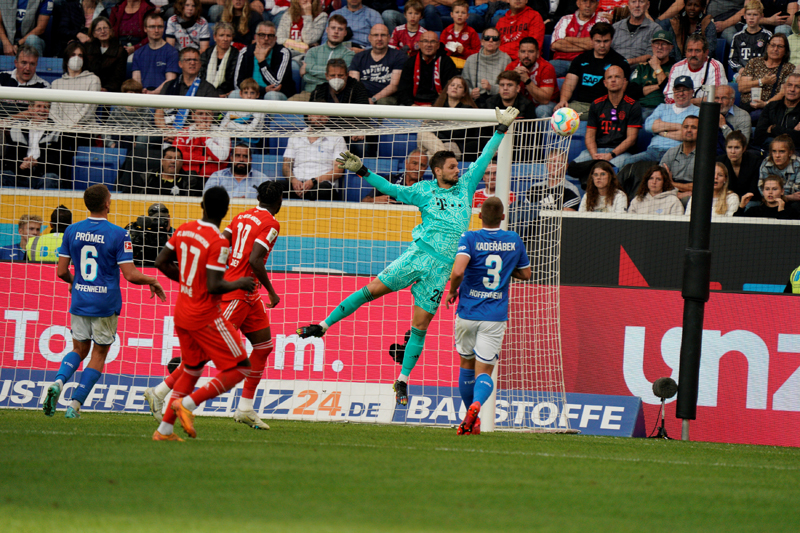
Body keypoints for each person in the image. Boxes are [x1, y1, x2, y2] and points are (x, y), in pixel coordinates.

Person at [296, 106, 520, 406]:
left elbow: (484, 158)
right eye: (452, 167)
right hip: (417, 256)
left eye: (457, 166)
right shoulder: (423, 190)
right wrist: (363, 170)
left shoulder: (466, 187)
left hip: (441, 270)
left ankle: (401, 381)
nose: (458, 170)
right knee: (370, 291)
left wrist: (500, 130)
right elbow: (390, 188)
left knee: (420, 326)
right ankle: (322, 327)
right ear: (438, 171)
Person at [145, 181, 282, 431]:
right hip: (237, 292)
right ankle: (160, 391)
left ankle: (245, 408)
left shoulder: (242, 215)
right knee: (206, 352)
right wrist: (271, 291)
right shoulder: (272, 223)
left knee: (264, 347)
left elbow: (222, 240)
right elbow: (255, 259)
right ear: (279, 201)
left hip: (247, 293)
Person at [41, 185, 166, 419]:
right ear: (107, 204)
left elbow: (60, 272)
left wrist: (74, 281)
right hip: (105, 304)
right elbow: (130, 275)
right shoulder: (119, 234)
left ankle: (58, 382)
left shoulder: (71, 231)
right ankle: (73, 406)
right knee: (98, 354)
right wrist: (152, 279)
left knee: (78, 349)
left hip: (80, 300)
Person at [445, 197, 531, 436]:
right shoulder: (513, 239)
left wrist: (452, 291)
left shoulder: (469, 237)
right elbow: (526, 273)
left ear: (479, 215)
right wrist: (505, 269)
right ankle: (476, 407)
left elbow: (459, 270)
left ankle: (471, 419)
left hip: (468, 312)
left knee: (466, 365)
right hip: (494, 315)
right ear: (503, 217)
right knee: (484, 372)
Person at [573, 65, 642, 169]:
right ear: (605, 83)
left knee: (609, 169)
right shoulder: (596, 104)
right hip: (598, 150)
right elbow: (590, 136)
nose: (613, 80)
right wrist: (594, 156)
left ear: (624, 81)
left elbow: (631, 139)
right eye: (609, 77)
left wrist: (611, 155)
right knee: (573, 167)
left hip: (620, 153)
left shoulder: (633, 105)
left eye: (617, 77)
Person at [555, 22, 631, 115]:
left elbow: (620, 91)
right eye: (598, 41)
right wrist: (563, 101)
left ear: (611, 40)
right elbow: (569, 85)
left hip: (605, 107)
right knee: (559, 114)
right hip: (580, 105)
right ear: (591, 40)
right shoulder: (580, 59)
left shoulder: (620, 62)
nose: (602, 45)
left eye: (606, 41)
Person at [625, 76, 700, 165]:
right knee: (627, 163)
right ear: (673, 91)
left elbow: (684, 135)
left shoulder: (697, 111)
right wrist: (678, 126)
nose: (681, 93)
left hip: (677, 153)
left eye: (685, 90)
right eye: (678, 90)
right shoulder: (662, 107)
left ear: (692, 92)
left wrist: (661, 130)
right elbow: (648, 126)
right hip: (653, 151)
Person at [418, 75, 485, 160]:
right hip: (439, 143)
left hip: (456, 146)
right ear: (447, 89)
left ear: (464, 93)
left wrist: (438, 131)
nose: (455, 88)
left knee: (430, 153)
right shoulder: (438, 107)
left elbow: (457, 133)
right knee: (422, 134)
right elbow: (428, 127)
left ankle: (442, 159)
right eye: (452, 85)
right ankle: (444, 158)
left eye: (459, 86)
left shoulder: (468, 109)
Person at [281, 114, 347, 200]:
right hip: (297, 184)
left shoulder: (337, 138)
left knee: (323, 190)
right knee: (274, 187)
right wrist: (294, 181)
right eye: (316, 114)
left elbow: (338, 171)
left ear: (328, 117)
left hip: (321, 185)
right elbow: (286, 166)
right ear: (308, 116)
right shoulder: (295, 137)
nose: (319, 117)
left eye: (323, 115)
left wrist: (313, 181)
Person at [1, 101, 62, 189]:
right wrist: (21, 166)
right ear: (30, 108)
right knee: (2, 175)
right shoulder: (16, 129)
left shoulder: (57, 131)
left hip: (43, 175)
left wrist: (37, 162)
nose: (42, 110)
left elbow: (59, 159)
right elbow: (9, 158)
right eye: (39, 106)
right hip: (20, 175)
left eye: (46, 107)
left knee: (50, 179)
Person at [155, 47, 219, 130]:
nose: (192, 63)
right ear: (180, 64)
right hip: (167, 130)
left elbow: (211, 118)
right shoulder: (169, 85)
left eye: (195, 60)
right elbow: (158, 114)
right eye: (188, 60)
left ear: (200, 64)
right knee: (144, 139)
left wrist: (181, 133)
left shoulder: (209, 89)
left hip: (194, 133)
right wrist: (165, 130)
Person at [294, 15, 353, 100]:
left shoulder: (349, 54)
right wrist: (330, 78)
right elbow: (306, 77)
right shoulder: (312, 51)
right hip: (309, 93)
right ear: (327, 30)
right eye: (333, 28)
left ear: (345, 33)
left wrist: (308, 68)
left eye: (340, 29)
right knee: (285, 109)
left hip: (335, 96)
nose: (336, 32)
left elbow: (341, 79)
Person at [233, 20, 296, 100]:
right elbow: (237, 83)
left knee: (271, 95)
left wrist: (262, 62)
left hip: (277, 94)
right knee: (234, 94)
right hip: (251, 94)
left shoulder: (283, 53)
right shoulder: (245, 52)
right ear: (255, 37)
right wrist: (262, 90)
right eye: (262, 35)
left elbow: (276, 84)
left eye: (270, 36)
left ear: (275, 38)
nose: (266, 39)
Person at [737, 33, 795, 118]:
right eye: (773, 45)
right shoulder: (754, 62)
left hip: (771, 108)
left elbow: (783, 93)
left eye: (780, 46)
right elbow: (741, 87)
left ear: (785, 50)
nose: (775, 49)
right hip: (747, 107)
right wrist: (762, 82)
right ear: (767, 47)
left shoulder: (789, 68)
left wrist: (765, 104)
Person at [349, 24, 406, 105]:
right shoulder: (359, 57)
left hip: (388, 98)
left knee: (382, 101)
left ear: (389, 38)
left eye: (383, 35)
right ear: (369, 38)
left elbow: (394, 86)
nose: (379, 39)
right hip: (363, 98)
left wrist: (373, 99)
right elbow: (354, 84)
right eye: (376, 35)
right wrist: (363, 99)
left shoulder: (398, 56)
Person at [397, 31, 458, 106]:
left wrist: (434, 105)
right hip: (413, 105)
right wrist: (411, 105)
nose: (429, 45)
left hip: (440, 105)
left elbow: (451, 90)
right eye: (425, 41)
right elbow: (403, 90)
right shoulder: (410, 62)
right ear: (419, 44)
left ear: (438, 45)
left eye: (432, 42)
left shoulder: (447, 62)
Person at [550, 0, 609, 78]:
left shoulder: (602, 22)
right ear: (578, 3)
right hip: (561, 62)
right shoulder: (565, 19)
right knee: (544, 72)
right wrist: (586, 46)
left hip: (587, 63)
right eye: (584, 1)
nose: (588, 5)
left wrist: (568, 39)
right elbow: (555, 45)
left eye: (592, 2)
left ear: (597, 4)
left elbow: (595, 45)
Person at [49, 42, 102, 129]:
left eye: (80, 55)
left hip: (84, 130)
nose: (76, 58)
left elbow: (89, 109)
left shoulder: (93, 80)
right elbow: (53, 112)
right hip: (60, 130)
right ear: (66, 59)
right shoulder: (56, 83)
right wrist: (64, 127)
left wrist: (71, 125)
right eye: (73, 55)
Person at [663, 34, 725, 106]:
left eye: (697, 51)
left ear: (706, 53)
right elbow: (668, 97)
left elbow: (716, 98)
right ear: (685, 52)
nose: (693, 54)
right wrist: (696, 101)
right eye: (690, 50)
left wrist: (686, 102)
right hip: (679, 110)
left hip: (704, 110)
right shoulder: (677, 67)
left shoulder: (715, 66)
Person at [505, 37, 559, 118]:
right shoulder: (511, 66)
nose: (526, 55)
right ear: (518, 53)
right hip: (522, 104)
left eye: (531, 52)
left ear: (537, 53)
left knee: (542, 110)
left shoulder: (547, 67)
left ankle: (541, 131)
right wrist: (513, 79)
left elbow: (545, 100)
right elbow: (504, 94)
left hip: (543, 105)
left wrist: (527, 80)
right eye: (523, 52)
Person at [627, 30, 676, 120]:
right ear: (652, 46)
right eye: (656, 43)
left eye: (664, 44)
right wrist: (658, 85)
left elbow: (669, 91)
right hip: (640, 108)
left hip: (664, 109)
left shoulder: (675, 67)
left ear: (671, 48)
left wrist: (657, 67)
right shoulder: (642, 66)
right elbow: (632, 91)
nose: (659, 47)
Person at [173, 109, 231, 179]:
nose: (204, 117)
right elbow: (177, 156)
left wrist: (204, 135)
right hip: (187, 177)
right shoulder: (184, 132)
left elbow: (222, 156)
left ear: (212, 116)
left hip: (214, 179)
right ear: (193, 116)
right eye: (200, 114)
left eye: (207, 114)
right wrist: (206, 159)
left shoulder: (222, 132)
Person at [132, 12, 180, 94]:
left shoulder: (172, 52)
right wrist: (142, 92)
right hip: (142, 97)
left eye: (160, 27)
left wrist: (153, 93)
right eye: (152, 27)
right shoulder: (138, 53)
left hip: (163, 99)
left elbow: (170, 80)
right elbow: (136, 81)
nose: (156, 30)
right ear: (145, 29)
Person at [462, 27, 511, 107]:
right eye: (487, 38)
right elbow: (464, 83)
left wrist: (491, 88)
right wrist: (471, 92)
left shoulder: (506, 59)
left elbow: (510, 86)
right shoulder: (471, 59)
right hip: (475, 101)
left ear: (499, 43)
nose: (490, 40)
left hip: (498, 101)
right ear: (482, 42)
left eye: (494, 38)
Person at [362, 149, 429, 203]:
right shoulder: (389, 180)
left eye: (422, 165)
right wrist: (373, 200)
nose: (417, 169)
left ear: (426, 168)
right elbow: (364, 201)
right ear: (406, 164)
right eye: (414, 163)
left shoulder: (428, 189)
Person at [132, 145, 204, 195]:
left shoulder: (190, 181)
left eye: (177, 159)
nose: (173, 161)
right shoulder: (147, 177)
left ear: (182, 162)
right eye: (169, 158)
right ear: (162, 161)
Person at [0, 45, 49, 117]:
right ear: (16, 63)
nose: (28, 68)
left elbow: (38, 113)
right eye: (24, 63)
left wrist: (9, 120)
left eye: (32, 64)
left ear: (36, 65)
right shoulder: (2, 77)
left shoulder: (43, 86)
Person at [753, 72, 800, 147]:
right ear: (784, 87)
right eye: (789, 85)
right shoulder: (771, 107)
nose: (792, 89)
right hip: (768, 151)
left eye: (797, 87)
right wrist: (791, 133)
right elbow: (758, 137)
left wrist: (773, 129)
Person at [660, 115, 700, 200]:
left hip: (694, 196)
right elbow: (660, 179)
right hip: (669, 193)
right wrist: (676, 192)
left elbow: (700, 187)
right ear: (682, 130)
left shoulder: (704, 155)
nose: (689, 130)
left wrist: (672, 183)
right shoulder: (671, 152)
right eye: (686, 127)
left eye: (693, 127)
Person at [85, 17, 129, 93]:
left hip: (110, 91)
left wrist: (106, 89)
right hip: (89, 89)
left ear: (111, 31)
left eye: (105, 28)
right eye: (99, 29)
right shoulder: (88, 48)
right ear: (94, 34)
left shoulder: (120, 51)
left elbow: (118, 77)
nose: (103, 31)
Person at [729, 1, 773, 77]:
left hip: (762, 73)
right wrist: (740, 69)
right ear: (744, 16)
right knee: (738, 78)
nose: (751, 18)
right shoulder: (737, 37)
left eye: (755, 14)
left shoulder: (767, 35)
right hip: (742, 73)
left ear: (761, 16)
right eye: (749, 14)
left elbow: (770, 57)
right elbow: (732, 59)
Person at [717, 130, 763, 201]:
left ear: (744, 148)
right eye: (729, 147)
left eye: (737, 148)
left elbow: (753, 191)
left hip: (749, 200)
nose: (733, 152)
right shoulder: (719, 162)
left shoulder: (755, 161)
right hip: (725, 200)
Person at [611, 0, 659, 66]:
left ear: (647, 5)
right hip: (614, 69)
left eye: (641, 2)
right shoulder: (616, 27)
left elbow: (651, 55)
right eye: (633, 2)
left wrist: (628, 62)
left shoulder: (655, 29)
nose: (637, 5)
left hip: (641, 71)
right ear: (628, 5)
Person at [125, 202, 174, 267]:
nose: (160, 222)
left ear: (169, 217)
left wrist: (169, 240)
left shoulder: (176, 234)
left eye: (163, 219)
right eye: (156, 219)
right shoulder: (146, 234)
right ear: (150, 220)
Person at [221, 77, 266, 146]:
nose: (249, 96)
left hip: (250, 143)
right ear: (240, 94)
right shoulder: (234, 108)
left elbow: (251, 129)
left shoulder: (260, 110)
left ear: (257, 95)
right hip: (231, 141)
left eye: (252, 93)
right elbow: (223, 126)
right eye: (246, 93)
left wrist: (231, 124)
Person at [199, 22, 239, 98]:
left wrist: (224, 94)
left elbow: (231, 80)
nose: (225, 39)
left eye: (228, 36)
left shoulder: (236, 55)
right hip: (205, 92)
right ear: (214, 37)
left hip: (225, 94)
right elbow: (201, 74)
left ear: (232, 38)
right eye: (221, 35)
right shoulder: (207, 53)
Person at [758, 134, 800, 206]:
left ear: (790, 152)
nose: (777, 155)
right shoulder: (766, 163)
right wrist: (788, 197)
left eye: (782, 151)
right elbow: (762, 188)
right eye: (774, 151)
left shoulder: (798, 164)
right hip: (771, 202)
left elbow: (797, 192)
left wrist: (774, 193)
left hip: (794, 203)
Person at [735, 174, 800, 218]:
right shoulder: (754, 211)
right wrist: (741, 207)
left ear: (782, 191)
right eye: (767, 189)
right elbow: (735, 227)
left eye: (774, 189)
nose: (770, 192)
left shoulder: (791, 211)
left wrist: (782, 212)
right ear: (763, 191)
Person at [439, 0, 480, 68]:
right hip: (448, 64)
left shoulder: (472, 32)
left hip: (466, 65)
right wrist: (449, 50)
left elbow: (477, 53)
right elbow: (440, 51)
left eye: (463, 13)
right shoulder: (446, 31)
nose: (460, 15)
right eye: (457, 12)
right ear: (451, 14)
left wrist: (464, 51)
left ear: (467, 16)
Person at [715, 84, 752, 151]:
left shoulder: (743, 116)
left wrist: (724, 126)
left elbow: (742, 144)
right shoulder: (707, 113)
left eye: (724, 98)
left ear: (732, 100)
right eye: (717, 98)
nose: (719, 102)